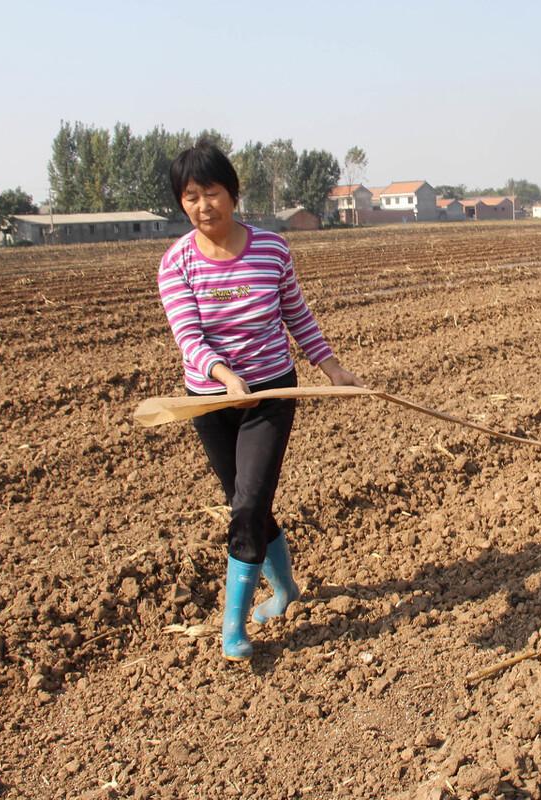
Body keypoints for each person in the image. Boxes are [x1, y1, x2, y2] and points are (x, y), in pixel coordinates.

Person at [158, 140, 362, 661]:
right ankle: (286, 589)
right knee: (244, 502)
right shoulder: (176, 263)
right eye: (191, 196)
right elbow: (188, 337)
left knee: (248, 504)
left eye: (213, 192)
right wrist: (224, 377)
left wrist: (332, 367)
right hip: (210, 400)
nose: (204, 206)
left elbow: (298, 315)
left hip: (271, 393)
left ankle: (234, 626)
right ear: (181, 203)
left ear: (233, 193)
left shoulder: (271, 249)